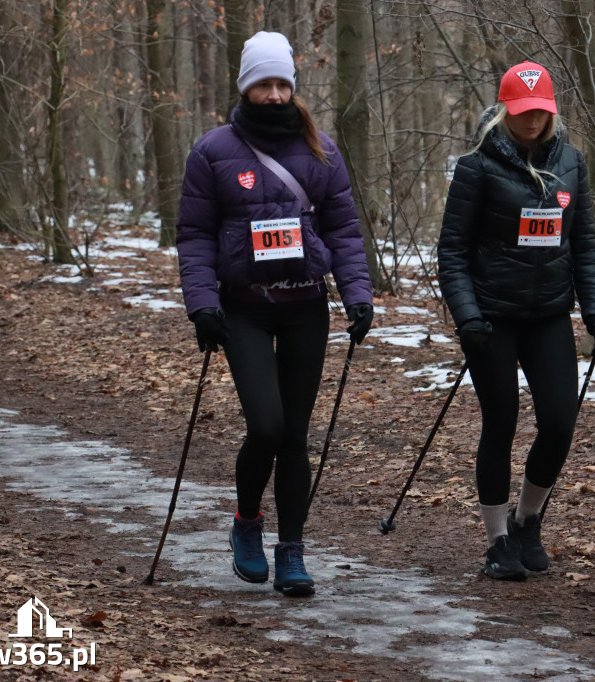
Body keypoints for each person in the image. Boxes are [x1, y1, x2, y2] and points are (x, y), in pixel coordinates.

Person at [176, 31, 374, 597]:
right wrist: (202, 306)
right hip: (244, 311)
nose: (275, 93)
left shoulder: (322, 150)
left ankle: (292, 550)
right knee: (266, 424)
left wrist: (357, 295)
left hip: (305, 306)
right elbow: (193, 235)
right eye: (264, 83)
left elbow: (343, 231)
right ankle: (246, 524)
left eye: (283, 82)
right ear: (246, 87)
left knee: (294, 434)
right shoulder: (212, 151)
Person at [437, 61, 595, 581]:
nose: (533, 120)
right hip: (491, 318)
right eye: (522, 111)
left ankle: (526, 520)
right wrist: (467, 316)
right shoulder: (477, 167)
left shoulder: (572, 163)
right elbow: (452, 251)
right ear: (505, 111)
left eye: (541, 111)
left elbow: (582, 244)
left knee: (559, 425)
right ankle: (497, 541)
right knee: (501, 424)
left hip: (548, 316)